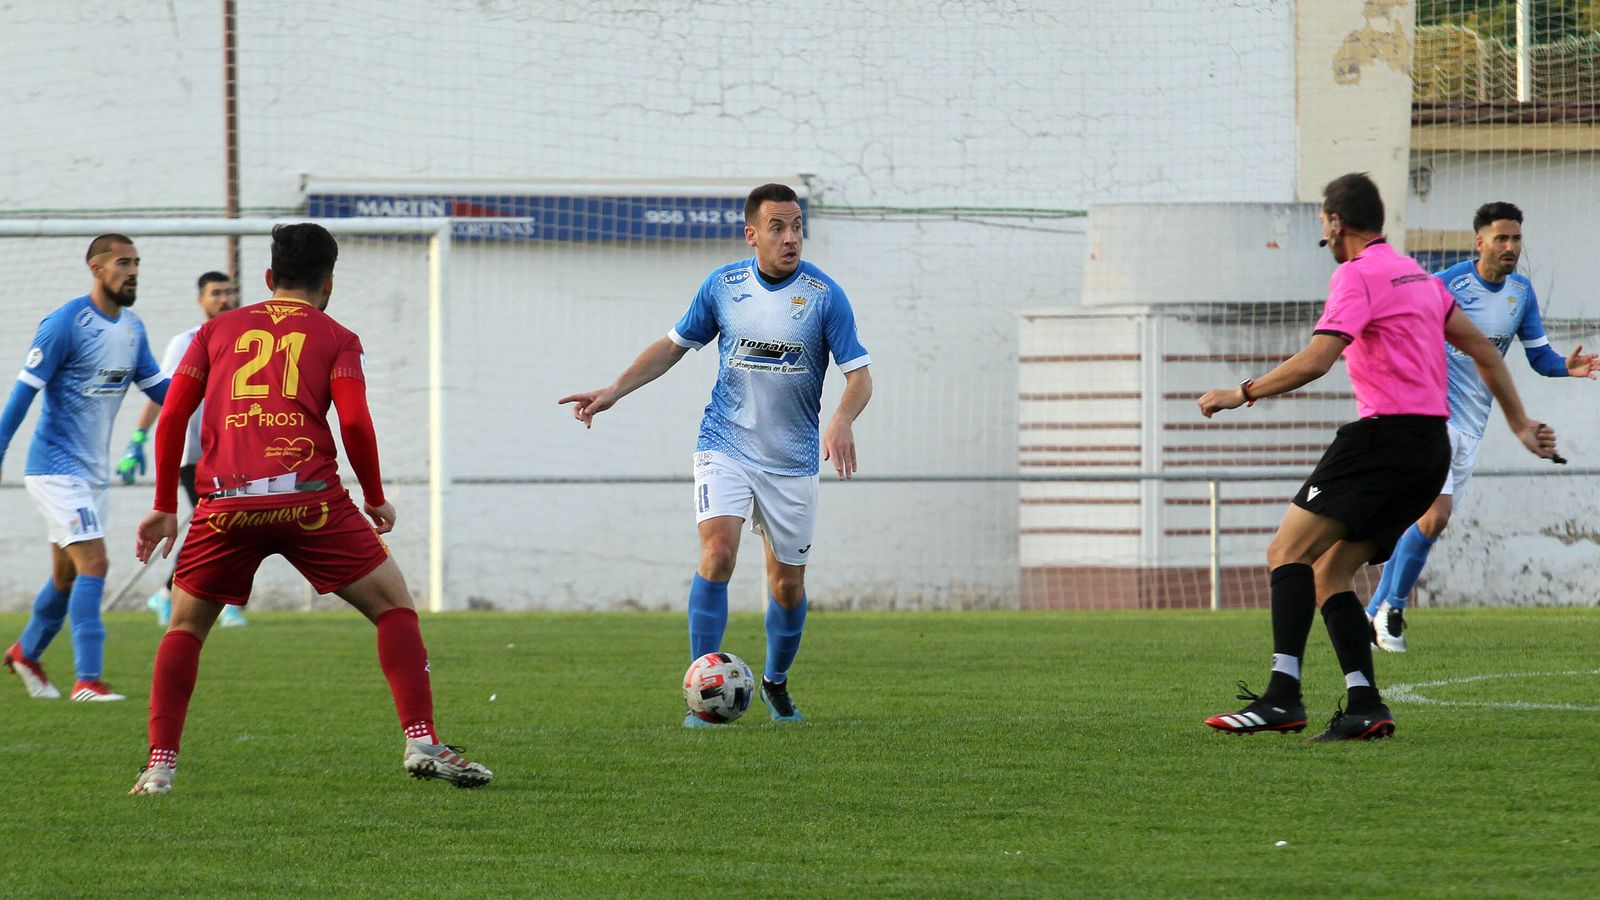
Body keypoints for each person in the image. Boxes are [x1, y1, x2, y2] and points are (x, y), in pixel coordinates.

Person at [129, 223, 491, 794]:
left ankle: (159, 766)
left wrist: (162, 506)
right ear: (329, 283)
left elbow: (173, 415)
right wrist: (374, 496)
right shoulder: (337, 336)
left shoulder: (214, 331)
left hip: (226, 505)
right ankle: (421, 738)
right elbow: (354, 423)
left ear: (269, 277)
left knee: (185, 629)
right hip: (310, 502)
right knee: (394, 608)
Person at [1196, 173, 1557, 742]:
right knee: (1330, 572)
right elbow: (1486, 352)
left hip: (1382, 439)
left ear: (1335, 222)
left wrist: (1240, 393)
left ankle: (1282, 697)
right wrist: (1519, 424)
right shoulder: (1419, 277)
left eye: (1324, 222)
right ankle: (1365, 705)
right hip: (1430, 451)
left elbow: (1317, 360)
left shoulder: (1356, 274)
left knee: (1286, 551)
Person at [559, 183, 873, 728]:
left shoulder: (825, 296)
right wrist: (614, 390)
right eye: (777, 227)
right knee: (719, 554)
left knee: (787, 586)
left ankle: (775, 682)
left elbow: (860, 377)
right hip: (724, 444)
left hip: (792, 460)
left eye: (797, 226)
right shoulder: (723, 286)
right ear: (752, 234)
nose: (791, 238)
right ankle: (702, 695)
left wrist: (842, 418)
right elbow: (673, 346)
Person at [1364, 201, 1595, 651]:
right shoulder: (1446, 284)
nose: (1510, 246)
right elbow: (1402, 329)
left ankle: (1372, 614)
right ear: (1480, 242)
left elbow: (1539, 357)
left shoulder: (1521, 294)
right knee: (1435, 516)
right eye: (1501, 238)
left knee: (1428, 521)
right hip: (1430, 416)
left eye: (1516, 238)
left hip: (1471, 427)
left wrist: (1565, 367)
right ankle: (1392, 610)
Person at [0, 234, 168, 702]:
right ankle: (87, 680)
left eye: (137, 263)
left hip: (94, 477)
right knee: (95, 563)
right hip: (55, 469)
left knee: (66, 577)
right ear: (97, 268)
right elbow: (22, 393)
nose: (133, 271)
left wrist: (215, 394)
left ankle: (25, 652)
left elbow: (160, 390)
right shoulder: (65, 323)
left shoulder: (132, 328)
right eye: (123, 263)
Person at [118, 271, 249, 628]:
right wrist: (138, 438)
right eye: (216, 293)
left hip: (233, 450)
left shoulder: (246, 339)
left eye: (229, 292)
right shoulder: (186, 342)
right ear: (200, 300)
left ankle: (191, 595)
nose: (225, 299)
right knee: (219, 524)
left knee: (228, 525)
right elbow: (163, 393)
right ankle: (181, 594)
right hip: (195, 452)